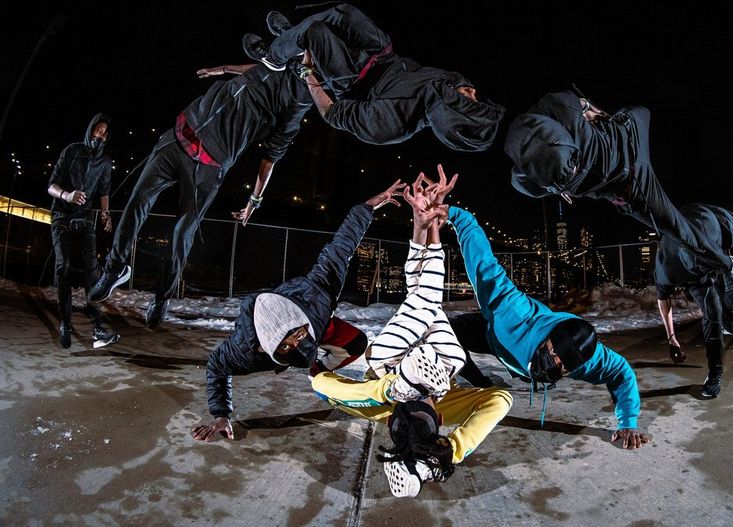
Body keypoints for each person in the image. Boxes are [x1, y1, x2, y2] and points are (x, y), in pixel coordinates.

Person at [311, 174, 512, 498]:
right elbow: (425, 298)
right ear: (441, 417)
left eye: (410, 398)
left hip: (383, 378)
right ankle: (429, 458)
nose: (418, 396)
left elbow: (321, 385)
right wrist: (426, 225)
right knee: (499, 397)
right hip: (432, 372)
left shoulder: (380, 378)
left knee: (340, 380)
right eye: (423, 397)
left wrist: (387, 389)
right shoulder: (451, 358)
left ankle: (397, 391)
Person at [429, 165, 649, 448]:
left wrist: (628, 422)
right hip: (497, 333)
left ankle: (513, 371)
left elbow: (622, 373)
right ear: (548, 339)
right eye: (553, 353)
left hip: (518, 345)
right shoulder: (510, 309)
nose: (553, 365)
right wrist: (456, 215)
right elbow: (483, 262)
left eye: (563, 367)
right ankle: (481, 382)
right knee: (444, 331)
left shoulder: (588, 359)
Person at [89, 62, 312, 328]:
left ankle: (162, 297)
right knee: (137, 202)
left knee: (182, 234)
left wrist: (254, 200)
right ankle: (114, 268)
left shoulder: (290, 115)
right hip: (177, 140)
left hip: (208, 168)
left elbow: (269, 161)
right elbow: (257, 66)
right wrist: (225, 68)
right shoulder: (274, 69)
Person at [191, 180, 405, 442]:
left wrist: (366, 208)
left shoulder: (318, 292)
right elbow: (216, 366)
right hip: (295, 327)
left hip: (313, 317)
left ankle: (316, 367)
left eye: (298, 337)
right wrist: (221, 414)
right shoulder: (244, 349)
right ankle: (299, 349)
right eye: (286, 346)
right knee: (297, 348)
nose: (296, 344)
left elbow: (341, 247)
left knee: (357, 343)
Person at [504, 90, 733, 284]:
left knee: (641, 110)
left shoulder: (560, 108)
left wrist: (590, 108)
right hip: (624, 188)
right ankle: (726, 265)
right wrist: (557, 187)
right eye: (566, 179)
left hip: (632, 143)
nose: (575, 172)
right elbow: (532, 179)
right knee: (676, 230)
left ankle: (725, 264)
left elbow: (578, 102)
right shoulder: (528, 179)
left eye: (573, 166)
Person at [244, 3, 505, 152]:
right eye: (473, 93)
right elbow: (457, 78)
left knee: (316, 32)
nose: (471, 91)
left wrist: (307, 73)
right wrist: (462, 86)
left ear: (450, 114)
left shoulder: (391, 126)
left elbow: (331, 113)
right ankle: (290, 36)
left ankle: (274, 56)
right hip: (382, 54)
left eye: (469, 99)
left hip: (352, 79)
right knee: (344, 12)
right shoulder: (446, 86)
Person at [655, 203, 733, 398]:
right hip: (694, 276)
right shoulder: (667, 263)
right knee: (712, 313)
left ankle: (729, 318)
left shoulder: (720, 221)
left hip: (716, 255)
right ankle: (715, 372)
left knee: (730, 290)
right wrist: (672, 338)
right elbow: (663, 300)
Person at [46, 113, 121, 349]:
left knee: (92, 270)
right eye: (98, 131)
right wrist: (66, 195)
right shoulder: (72, 151)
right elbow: (51, 186)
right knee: (64, 266)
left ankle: (98, 328)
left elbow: (104, 192)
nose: (100, 136)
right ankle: (65, 323)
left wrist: (106, 213)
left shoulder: (105, 162)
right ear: (90, 130)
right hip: (62, 215)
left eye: (104, 134)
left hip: (85, 217)